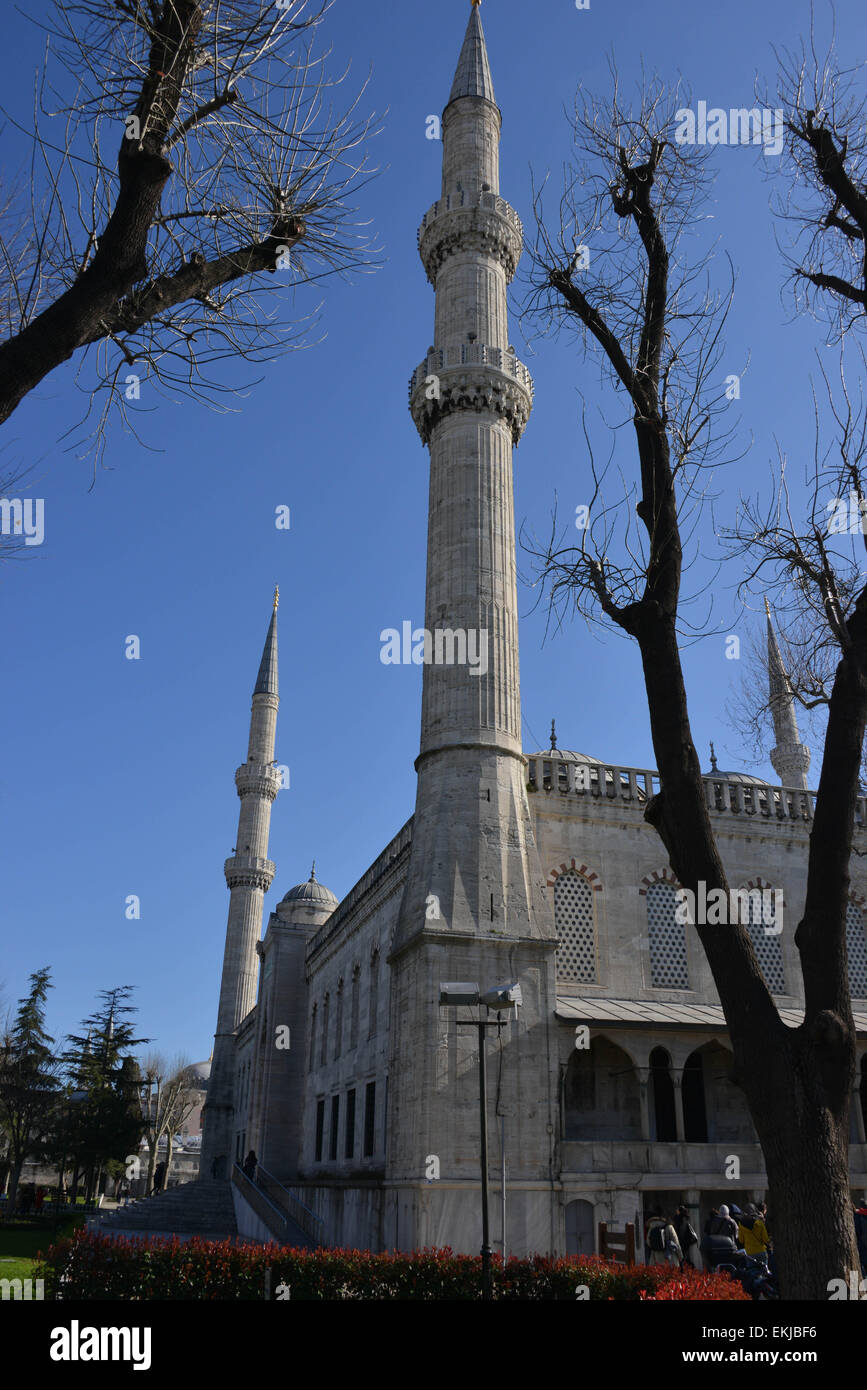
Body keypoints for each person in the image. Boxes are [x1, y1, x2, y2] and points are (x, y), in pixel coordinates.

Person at [675, 1205, 702, 1270]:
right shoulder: (686, 1218)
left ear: (679, 1211)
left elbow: (679, 1231)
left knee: (680, 1259)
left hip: (680, 1242)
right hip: (686, 1243)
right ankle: (687, 1270)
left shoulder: (678, 1219)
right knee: (684, 1258)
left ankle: (683, 1271)